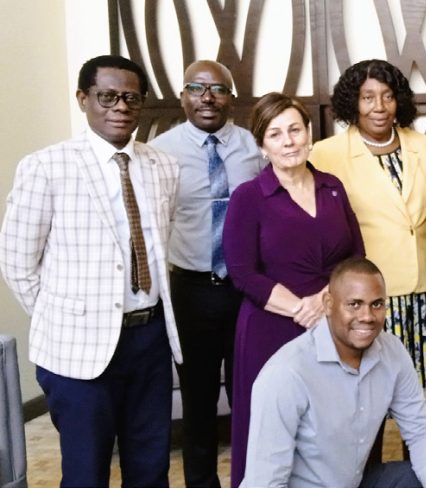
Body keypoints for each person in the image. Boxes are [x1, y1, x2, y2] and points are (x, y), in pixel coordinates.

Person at [0, 54, 182, 486]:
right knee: (86, 473)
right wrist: (64, 317)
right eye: (107, 96)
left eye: (131, 98)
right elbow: (16, 262)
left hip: (149, 339)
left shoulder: (163, 166)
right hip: (77, 349)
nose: (120, 107)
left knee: (151, 468)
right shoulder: (46, 167)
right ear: (83, 99)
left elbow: (161, 241)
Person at [223, 92, 365, 486]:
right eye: (275, 134)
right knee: (271, 435)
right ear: (262, 145)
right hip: (270, 330)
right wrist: (301, 308)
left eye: (295, 130)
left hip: (332, 325)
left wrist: (323, 302)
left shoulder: (332, 187)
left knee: (330, 429)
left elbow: (356, 254)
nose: (288, 141)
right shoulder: (249, 197)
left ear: (308, 133)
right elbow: (242, 272)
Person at [242, 257, 426, 488]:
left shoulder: (391, 351)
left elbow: (420, 430)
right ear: (328, 304)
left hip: (355, 483)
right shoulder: (286, 373)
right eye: (354, 304)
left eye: (376, 304)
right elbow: (265, 480)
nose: (367, 317)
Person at [148, 59, 264, 487]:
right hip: (190, 291)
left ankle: (253, 479)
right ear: (183, 96)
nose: (207, 97)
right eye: (196, 88)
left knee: (250, 394)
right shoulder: (160, 152)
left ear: (232, 98)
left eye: (217, 89)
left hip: (245, 290)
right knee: (198, 400)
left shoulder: (254, 147)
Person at [310, 60, 426, 386]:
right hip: (371, 296)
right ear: (353, 103)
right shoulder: (326, 154)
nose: (379, 107)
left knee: (424, 386)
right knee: (375, 385)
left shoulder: (423, 145)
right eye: (367, 98)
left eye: (387, 96)